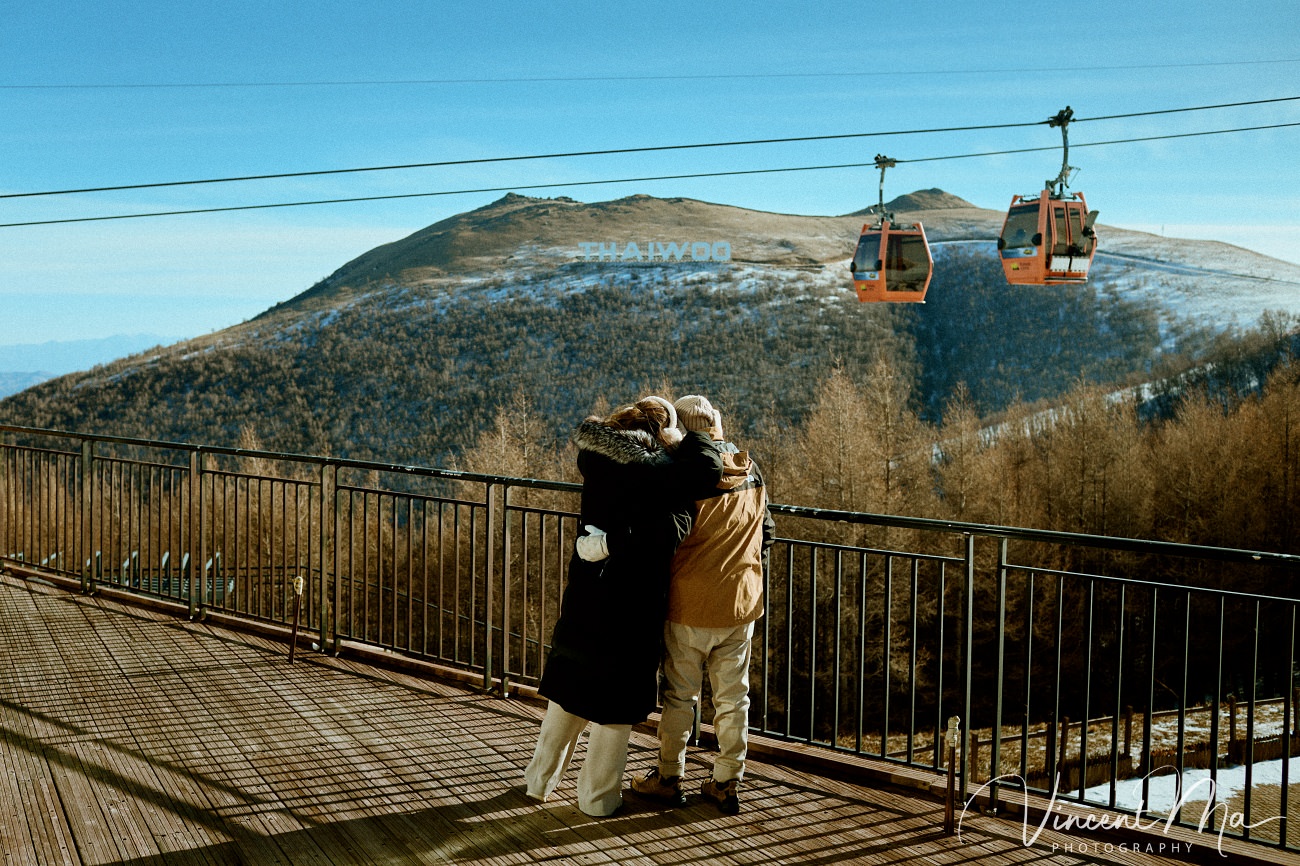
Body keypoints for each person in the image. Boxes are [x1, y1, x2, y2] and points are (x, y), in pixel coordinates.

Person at [524, 396, 723, 817]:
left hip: (586, 593)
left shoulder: (598, 459)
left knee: (570, 690)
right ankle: (597, 799)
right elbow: (705, 474)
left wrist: (603, 545)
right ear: (662, 431)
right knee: (614, 707)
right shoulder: (661, 477)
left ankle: (539, 781)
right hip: (632, 602)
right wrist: (693, 437)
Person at [631, 394, 775, 815]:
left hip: (690, 605)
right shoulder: (750, 469)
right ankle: (727, 780)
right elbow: (767, 532)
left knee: (680, 697)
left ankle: (669, 775)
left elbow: (664, 536)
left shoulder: (684, 476)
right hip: (741, 603)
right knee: (734, 698)